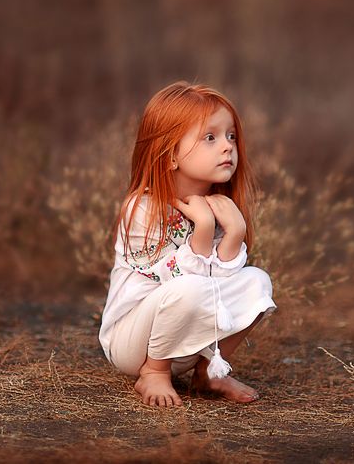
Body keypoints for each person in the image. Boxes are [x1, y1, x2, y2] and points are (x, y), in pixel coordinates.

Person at [98, 81, 277, 408]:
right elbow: (173, 285)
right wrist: (203, 231)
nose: (227, 146)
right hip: (132, 341)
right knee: (190, 289)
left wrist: (234, 232)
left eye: (230, 136)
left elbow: (218, 286)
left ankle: (209, 371)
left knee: (257, 282)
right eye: (210, 138)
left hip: (187, 341)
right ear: (170, 156)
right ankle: (154, 373)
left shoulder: (217, 204)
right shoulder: (143, 209)